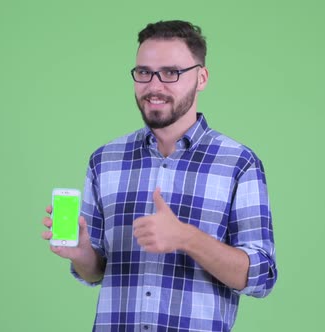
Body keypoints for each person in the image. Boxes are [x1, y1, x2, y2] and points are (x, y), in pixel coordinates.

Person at [42, 20, 277, 331]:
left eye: (171, 73)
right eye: (144, 72)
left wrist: (186, 237)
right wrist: (82, 254)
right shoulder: (105, 160)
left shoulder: (238, 163)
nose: (154, 86)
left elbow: (261, 276)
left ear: (201, 77)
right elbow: (95, 272)